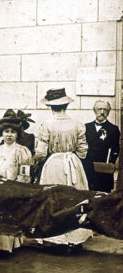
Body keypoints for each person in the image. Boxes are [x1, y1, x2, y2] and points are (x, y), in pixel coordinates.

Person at [34, 88, 92, 250]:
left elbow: (41, 152)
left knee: (54, 199)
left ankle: (55, 238)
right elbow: (82, 151)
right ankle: (74, 238)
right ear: (65, 105)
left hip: (54, 164)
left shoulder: (47, 125)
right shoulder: (77, 124)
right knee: (75, 198)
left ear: (51, 107)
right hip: (72, 163)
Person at [0, 109, 33, 255]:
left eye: (13, 132)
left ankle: (6, 247)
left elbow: (24, 174)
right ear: (1, 133)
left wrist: (15, 188)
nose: (9, 135)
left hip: (12, 188)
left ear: (17, 134)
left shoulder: (22, 151)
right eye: (6, 131)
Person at [84, 100, 120, 192]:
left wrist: (110, 164)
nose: (102, 112)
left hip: (104, 170)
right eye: (99, 109)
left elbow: (116, 149)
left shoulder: (113, 129)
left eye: (105, 110)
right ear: (94, 110)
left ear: (108, 112)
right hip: (89, 169)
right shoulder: (86, 127)